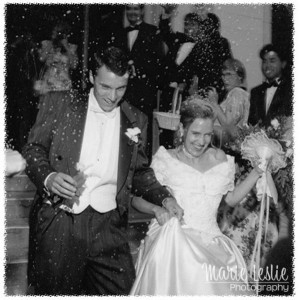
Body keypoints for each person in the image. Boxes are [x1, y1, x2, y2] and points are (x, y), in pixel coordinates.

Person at [22, 46, 183, 295]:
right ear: (90, 78)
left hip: (110, 226)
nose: (112, 96)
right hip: (62, 222)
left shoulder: (136, 119)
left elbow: (139, 172)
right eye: (105, 87)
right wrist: (49, 177)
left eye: (121, 88)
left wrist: (165, 197)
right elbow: (33, 150)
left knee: (123, 291)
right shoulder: (60, 104)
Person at [129, 98, 264, 296]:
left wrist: (257, 172)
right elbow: (137, 198)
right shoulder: (166, 159)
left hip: (213, 241)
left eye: (208, 135)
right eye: (196, 134)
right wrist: (157, 209)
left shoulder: (220, 159)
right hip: (175, 241)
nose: (201, 142)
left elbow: (230, 199)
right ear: (182, 130)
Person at [206, 58, 250, 146]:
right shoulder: (235, 94)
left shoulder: (237, 93)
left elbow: (228, 125)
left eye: (229, 74)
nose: (224, 79)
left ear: (240, 76)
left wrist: (214, 103)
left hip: (227, 147)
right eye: (223, 75)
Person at [248, 44, 293, 127]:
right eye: (264, 61)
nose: (267, 65)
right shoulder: (255, 92)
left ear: (283, 64)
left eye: (272, 61)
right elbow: (251, 123)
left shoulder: (291, 89)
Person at [34, 21, 79, 95]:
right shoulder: (48, 44)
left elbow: (74, 65)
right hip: (48, 86)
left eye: (60, 32)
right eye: (55, 32)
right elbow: (41, 58)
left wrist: (66, 46)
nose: (58, 35)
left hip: (64, 86)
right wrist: (52, 41)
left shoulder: (71, 47)